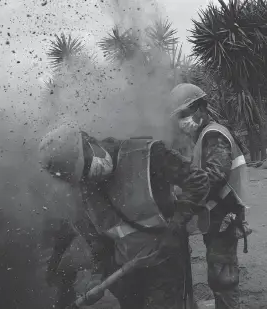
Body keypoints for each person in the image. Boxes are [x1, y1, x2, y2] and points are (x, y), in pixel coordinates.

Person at [38, 121, 209, 309]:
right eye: (82, 175)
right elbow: (98, 244)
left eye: (87, 164)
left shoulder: (147, 155)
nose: (89, 174)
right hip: (127, 276)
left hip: (164, 262)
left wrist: (175, 226)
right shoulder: (82, 196)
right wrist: (97, 276)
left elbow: (198, 181)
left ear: (88, 140)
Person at [169, 83, 252, 309]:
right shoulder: (205, 135)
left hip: (224, 216)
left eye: (184, 114)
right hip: (219, 217)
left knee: (223, 276)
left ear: (199, 109)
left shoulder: (213, 134)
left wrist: (184, 198)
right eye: (178, 116)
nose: (181, 121)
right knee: (218, 273)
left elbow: (215, 175)